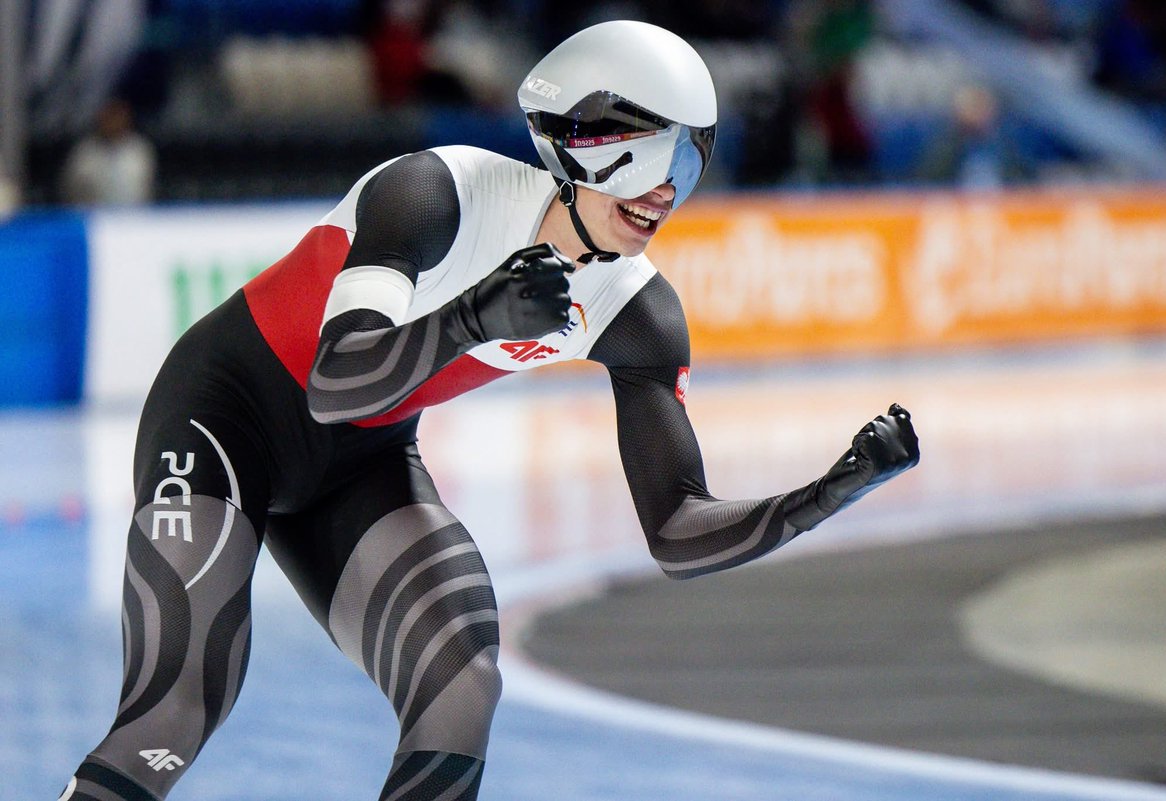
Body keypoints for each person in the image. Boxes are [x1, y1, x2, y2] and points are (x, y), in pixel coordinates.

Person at [59, 19, 918, 801]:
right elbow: (334, 379)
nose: (666, 193)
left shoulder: (638, 312)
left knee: (461, 684)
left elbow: (676, 529)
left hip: (361, 462)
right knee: (176, 709)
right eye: (653, 157)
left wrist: (824, 496)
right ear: (581, 143)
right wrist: (473, 316)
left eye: (691, 163)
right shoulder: (436, 193)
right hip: (224, 418)